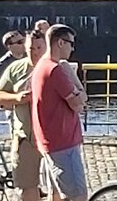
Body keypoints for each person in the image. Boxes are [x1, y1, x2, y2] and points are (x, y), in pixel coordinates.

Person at [31, 24, 88, 201]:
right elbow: (78, 104)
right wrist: (78, 86)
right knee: (78, 195)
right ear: (61, 43)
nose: (73, 48)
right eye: (71, 43)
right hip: (63, 143)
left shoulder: (42, 65)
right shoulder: (55, 70)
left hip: (49, 141)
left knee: (56, 195)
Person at [0, 31, 46, 201]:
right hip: (25, 137)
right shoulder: (15, 68)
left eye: (39, 48)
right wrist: (17, 98)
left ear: (46, 47)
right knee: (27, 186)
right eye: (31, 48)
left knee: (58, 186)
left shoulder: (56, 67)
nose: (35, 52)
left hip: (54, 137)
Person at [0, 30, 26, 101]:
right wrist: (0, 103)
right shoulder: (5, 63)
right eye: (20, 42)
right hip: (14, 102)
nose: (24, 44)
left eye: (24, 40)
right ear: (10, 46)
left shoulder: (28, 56)